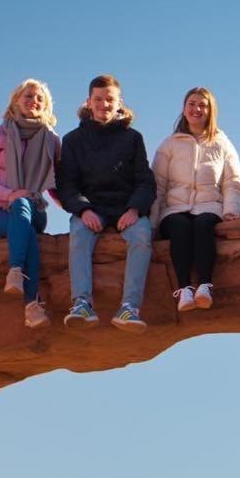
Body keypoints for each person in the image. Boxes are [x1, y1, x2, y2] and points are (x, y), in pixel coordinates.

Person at [56, 74, 155, 330]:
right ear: (89, 102)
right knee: (78, 234)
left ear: (119, 102)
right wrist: (84, 209)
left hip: (126, 208)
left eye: (109, 99)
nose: (104, 105)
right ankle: (82, 304)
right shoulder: (73, 140)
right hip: (91, 209)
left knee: (143, 235)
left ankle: (129, 308)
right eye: (98, 99)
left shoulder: (132, 138)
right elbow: (67, 186)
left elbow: (145, 181)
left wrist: (135, 209)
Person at [0, 79, 61, 329]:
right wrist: (9, 194)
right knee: (28, 234)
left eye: (39, 99)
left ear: (46, 106)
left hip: (34, 208)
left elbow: (56, 184)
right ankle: (32, 305)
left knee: (24, 209)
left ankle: (16, 271)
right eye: (28, 96)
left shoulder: (51, 140)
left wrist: (80, 209)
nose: (34, 101)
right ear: (16, 101)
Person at [151, 87, 240, 311]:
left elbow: (232, 181)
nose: (197, 109)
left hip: (209, 205)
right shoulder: (169, 144)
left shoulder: (222, 143)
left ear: (210, 111)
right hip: (174, 209)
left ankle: (204, 285)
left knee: (203, 225)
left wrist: (231, 210)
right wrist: (152, 224)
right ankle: (184, 290)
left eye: (203, 105)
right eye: (192, 104)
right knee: (180, 228)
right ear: (184, 109)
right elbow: (157, 186)